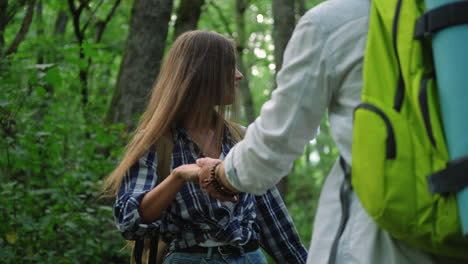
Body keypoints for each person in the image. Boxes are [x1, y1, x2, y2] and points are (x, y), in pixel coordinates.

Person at [184, 1, 467, 264]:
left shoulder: (333, 22)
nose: (238, 76)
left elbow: (271, 149)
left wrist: (220, 176)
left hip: (375, 245)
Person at [103, 30, 307, 264]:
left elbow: (274, 223)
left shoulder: (242, 138)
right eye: (230, 66)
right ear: (203, 73)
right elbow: (129, 221)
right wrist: (178, 177)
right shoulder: (155, 142)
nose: (239, 76)